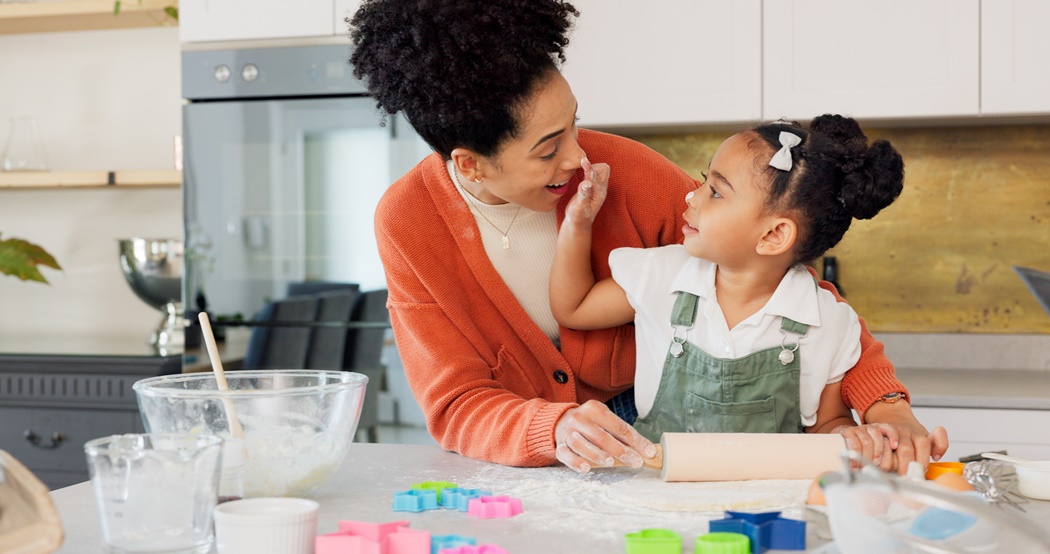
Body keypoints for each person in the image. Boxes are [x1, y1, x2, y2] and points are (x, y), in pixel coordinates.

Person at [348, 0, 947, 474]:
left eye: (573, 123)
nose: (580, 157)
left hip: (662, 441)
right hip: (529, 458)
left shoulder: (631, 174)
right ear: (471, 164)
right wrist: (549, 428)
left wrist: (884, 403)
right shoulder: (408, 223)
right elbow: (456, 404)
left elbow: (776, 280)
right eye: (548, 148)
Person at [551, 115, 946, 462]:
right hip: (657, 494)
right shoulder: (663, 274)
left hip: (770, 506)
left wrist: (848, 436)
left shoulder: (825, 321)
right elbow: (575, 307)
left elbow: (828, 424)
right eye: (706, 181)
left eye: (716, 192)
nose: (691, 195)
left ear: (773, 235)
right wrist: (577, 224)